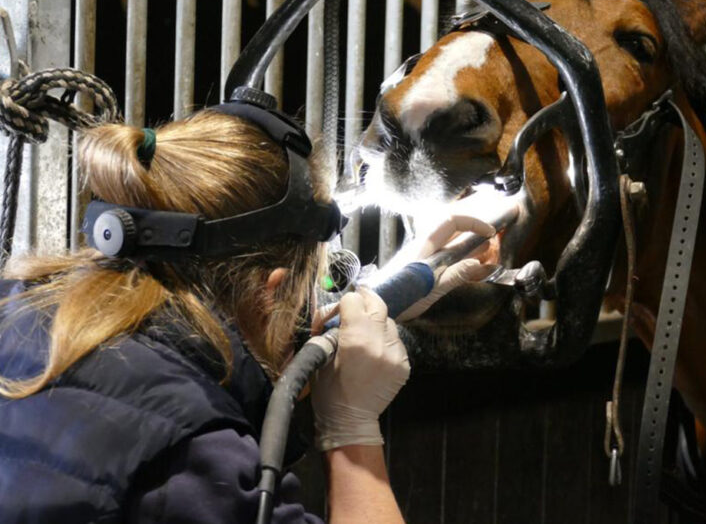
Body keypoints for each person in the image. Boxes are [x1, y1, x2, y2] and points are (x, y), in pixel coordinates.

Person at [0, 105, 495, 523]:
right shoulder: (195, 460)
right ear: (271, 292)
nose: (316, 303)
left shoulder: (16, 303)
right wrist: (352, 432)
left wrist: (405, 274)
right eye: (319, 283)